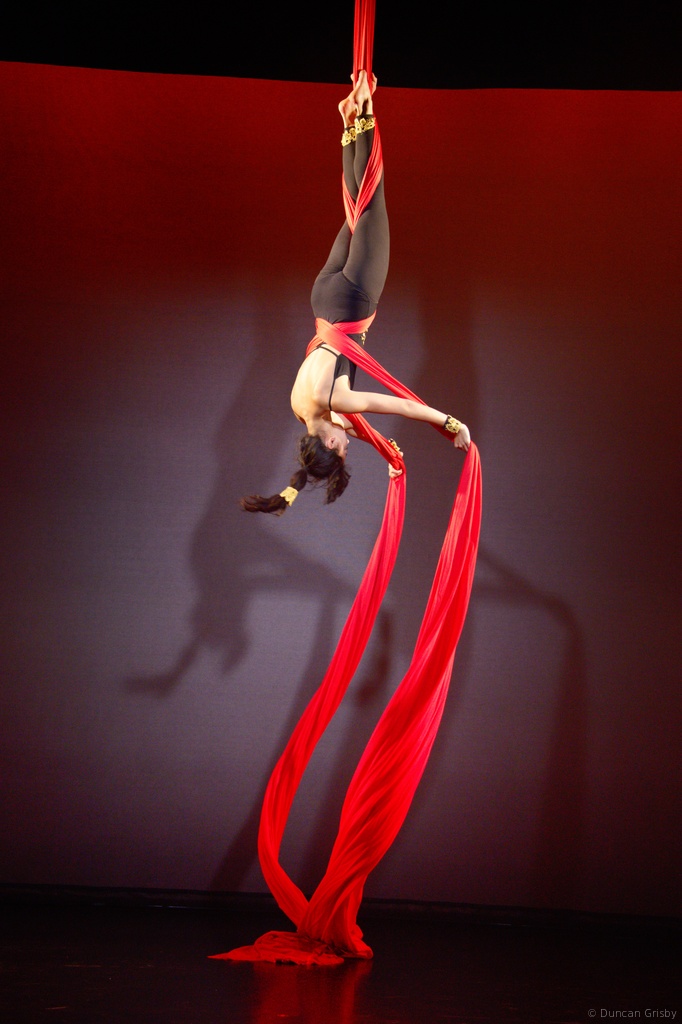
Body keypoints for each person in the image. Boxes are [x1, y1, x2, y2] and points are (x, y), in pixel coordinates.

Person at [241, 71, 470, 516]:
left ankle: (363, 109)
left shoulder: (336, 402)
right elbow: (351, 426)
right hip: (324, 298)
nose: (347, 444)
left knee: (372, 199)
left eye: (342, 449)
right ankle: (352, 117)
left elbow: (398, 405)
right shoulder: (301, 408)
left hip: (354, 302)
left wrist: (448, 423)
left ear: (328, 443)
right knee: (357, 207)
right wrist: (385, 450)